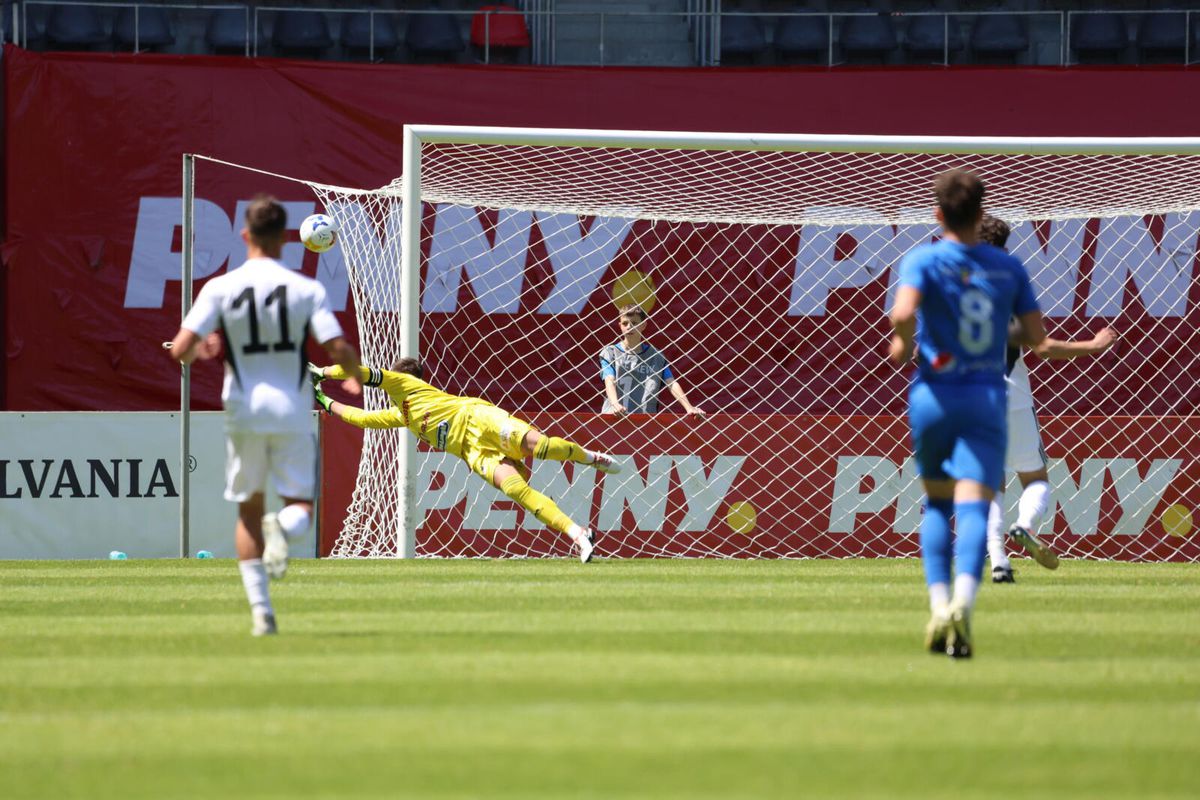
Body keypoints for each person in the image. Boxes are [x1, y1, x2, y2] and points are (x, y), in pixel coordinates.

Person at [169, 195, 361, 637]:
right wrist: (352, 375)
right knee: (300, 507)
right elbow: (336, 346)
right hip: (291, 407)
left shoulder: (220, 287)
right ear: (285, 239)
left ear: (245, 235)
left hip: (242, 408)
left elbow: (180, 349)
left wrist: (204, 349)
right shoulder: (305, 289)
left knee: (248, 510)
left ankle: (262, 613)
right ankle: (284, 529)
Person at [889, 170, 1045, 659]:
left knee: (939, 504)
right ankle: (963, 605)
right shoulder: (1007, 268)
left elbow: (901, 315)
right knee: (977, 504)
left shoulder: (923, 259)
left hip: (935, 395)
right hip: (984, 397)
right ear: (981, 214)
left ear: (937, 214)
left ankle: (938, 604)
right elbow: (1035, 337)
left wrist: (904, 343)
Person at [310, 358, 620, 563]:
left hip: (478, 419)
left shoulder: (406, 385)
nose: (390, 384)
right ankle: (578, 534)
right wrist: (324, 400)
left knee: (541, 447)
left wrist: (323, 372)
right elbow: (361, 418)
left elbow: (360, 372)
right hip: (472, 451)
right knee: (516, 490)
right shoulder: (401, 415)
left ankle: (590, 457)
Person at [977, 215, 1118, 583]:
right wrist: (1094, 345)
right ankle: (1024, 525)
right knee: (1036, 479)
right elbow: (1043, 347)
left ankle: (999, 562)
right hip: (1011, 396)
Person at [600, 304, 705, 416]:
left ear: (643, 325)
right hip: (614, 418)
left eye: (634, 323)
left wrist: (689, 407)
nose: (629, 327)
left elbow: (671, 383)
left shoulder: (656, 356)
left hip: (645, 421)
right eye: (625, 323)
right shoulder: (610, 352)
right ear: (620, 325)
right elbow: (609, 380)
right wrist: (615, 404)